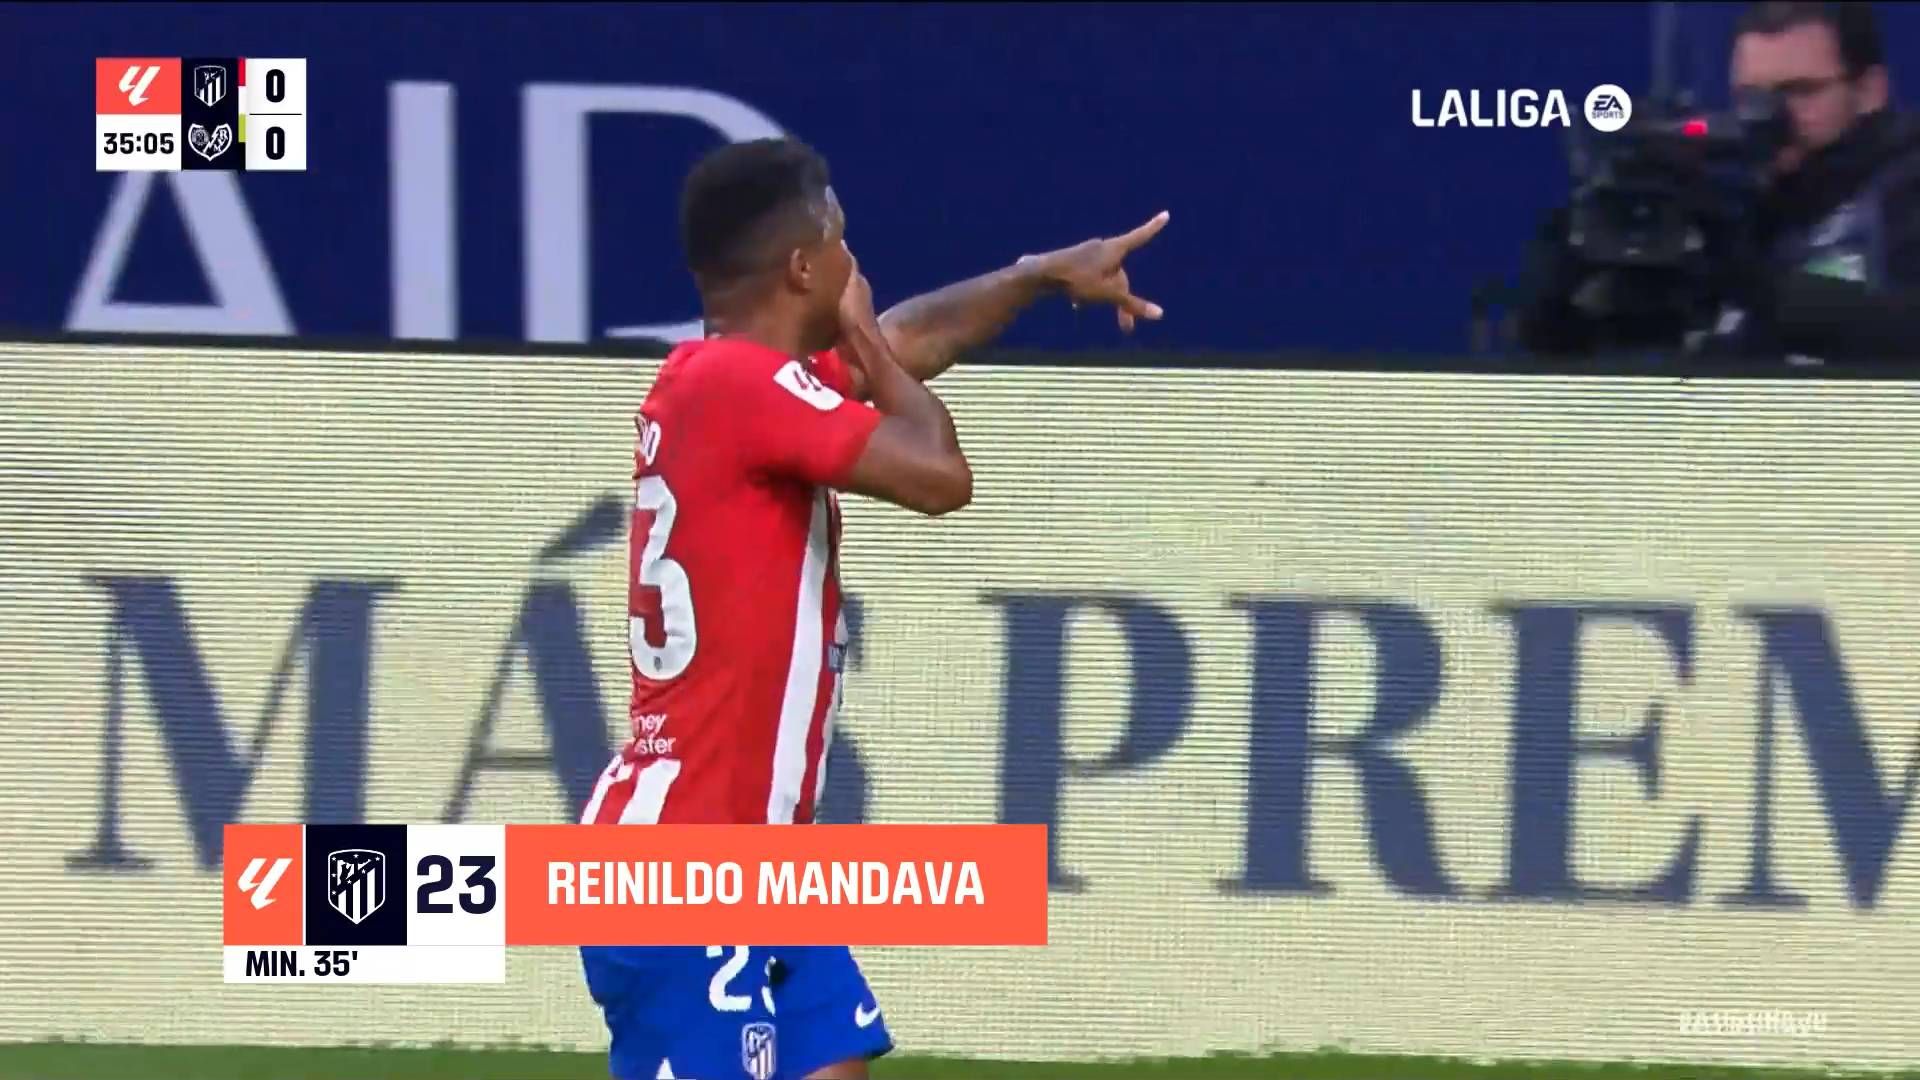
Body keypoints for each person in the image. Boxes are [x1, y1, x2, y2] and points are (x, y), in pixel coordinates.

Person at [576, 136, 1168, 1080]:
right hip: (682, 863)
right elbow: (940, 475)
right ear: (806, 267)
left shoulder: (736, 384)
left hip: (756, 857)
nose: (858, 264)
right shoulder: (736, 386)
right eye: (843, 242)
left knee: (834, 1064)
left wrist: (1037, 276)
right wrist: (862, 340)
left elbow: (911, 343)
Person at [1519, 1, 1920, 363]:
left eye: (1799, 92)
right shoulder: (1731, 202)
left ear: (1870, 90)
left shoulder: (1904, 189)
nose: (1771, 117)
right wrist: (1568, 276)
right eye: (1751, 97)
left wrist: (1750, 284)